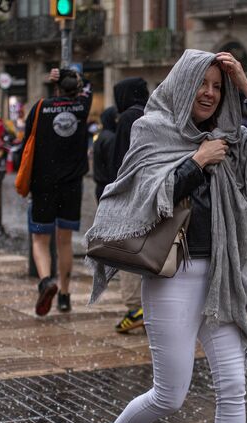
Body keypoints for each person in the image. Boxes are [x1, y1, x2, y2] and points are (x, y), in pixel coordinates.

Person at [84, 50, 247, 423]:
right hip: (173, 277)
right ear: (182, 84)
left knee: (233, 386)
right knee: (171, 395)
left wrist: (244, 82)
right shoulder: (152, 130)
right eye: (203, 83)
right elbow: (140, 202)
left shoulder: (230, 137)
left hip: (221, 279)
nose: (211, 92)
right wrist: (195, 162)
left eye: (218, 84)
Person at [26, 68, 92, 315]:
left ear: (56, 88)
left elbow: (27, 144)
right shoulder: (82, 108)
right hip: (72, 184)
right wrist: (70, 73)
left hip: (43, 183)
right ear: (76, 90)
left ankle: (46, 281)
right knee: (64, 241)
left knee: (40, 239)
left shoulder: (41, 107)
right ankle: (64, 295)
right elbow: (88, 85)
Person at [109, 77, 150, 333]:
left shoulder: (127, 119)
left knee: (127, 252)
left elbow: (121, 161)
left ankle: (136, 306)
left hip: (130, 196)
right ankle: (150, 305)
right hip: (150, 193)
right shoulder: (151, 114)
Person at [92, 106, 118, 203]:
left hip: (101, 185)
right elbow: (112, 164)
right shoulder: (110, 138)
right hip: (107, 185)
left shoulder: (103, 135)